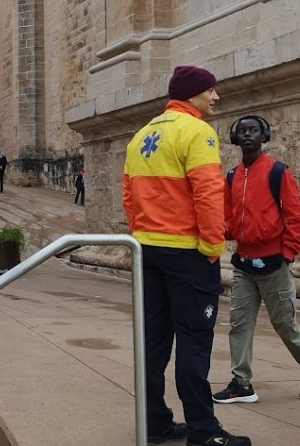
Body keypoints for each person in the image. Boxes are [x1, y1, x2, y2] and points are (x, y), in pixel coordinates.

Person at [123, 65, 250, 446]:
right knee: (194, 343)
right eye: (210, 90)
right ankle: (203, 431)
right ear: (192, 94)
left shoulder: (142, 135)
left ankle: (154, 422)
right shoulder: (197, 132)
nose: (216, 97)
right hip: (187, 254)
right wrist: (213, 247)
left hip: (148, 251)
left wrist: (141, 234)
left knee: (153, 343)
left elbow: (129, 197)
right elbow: (209, 195)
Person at [213, 115, 300, 405]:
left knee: (285, 325)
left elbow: (296, 218)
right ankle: (241, 383)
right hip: (243, 263)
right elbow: (228, 217)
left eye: (253, 130)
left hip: (274, 264)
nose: (247, 135)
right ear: (235, 138)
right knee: (239, 324)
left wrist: (288, 253)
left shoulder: (278, 172)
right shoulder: (231, 176)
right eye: (242, 131)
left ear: (264, 135)